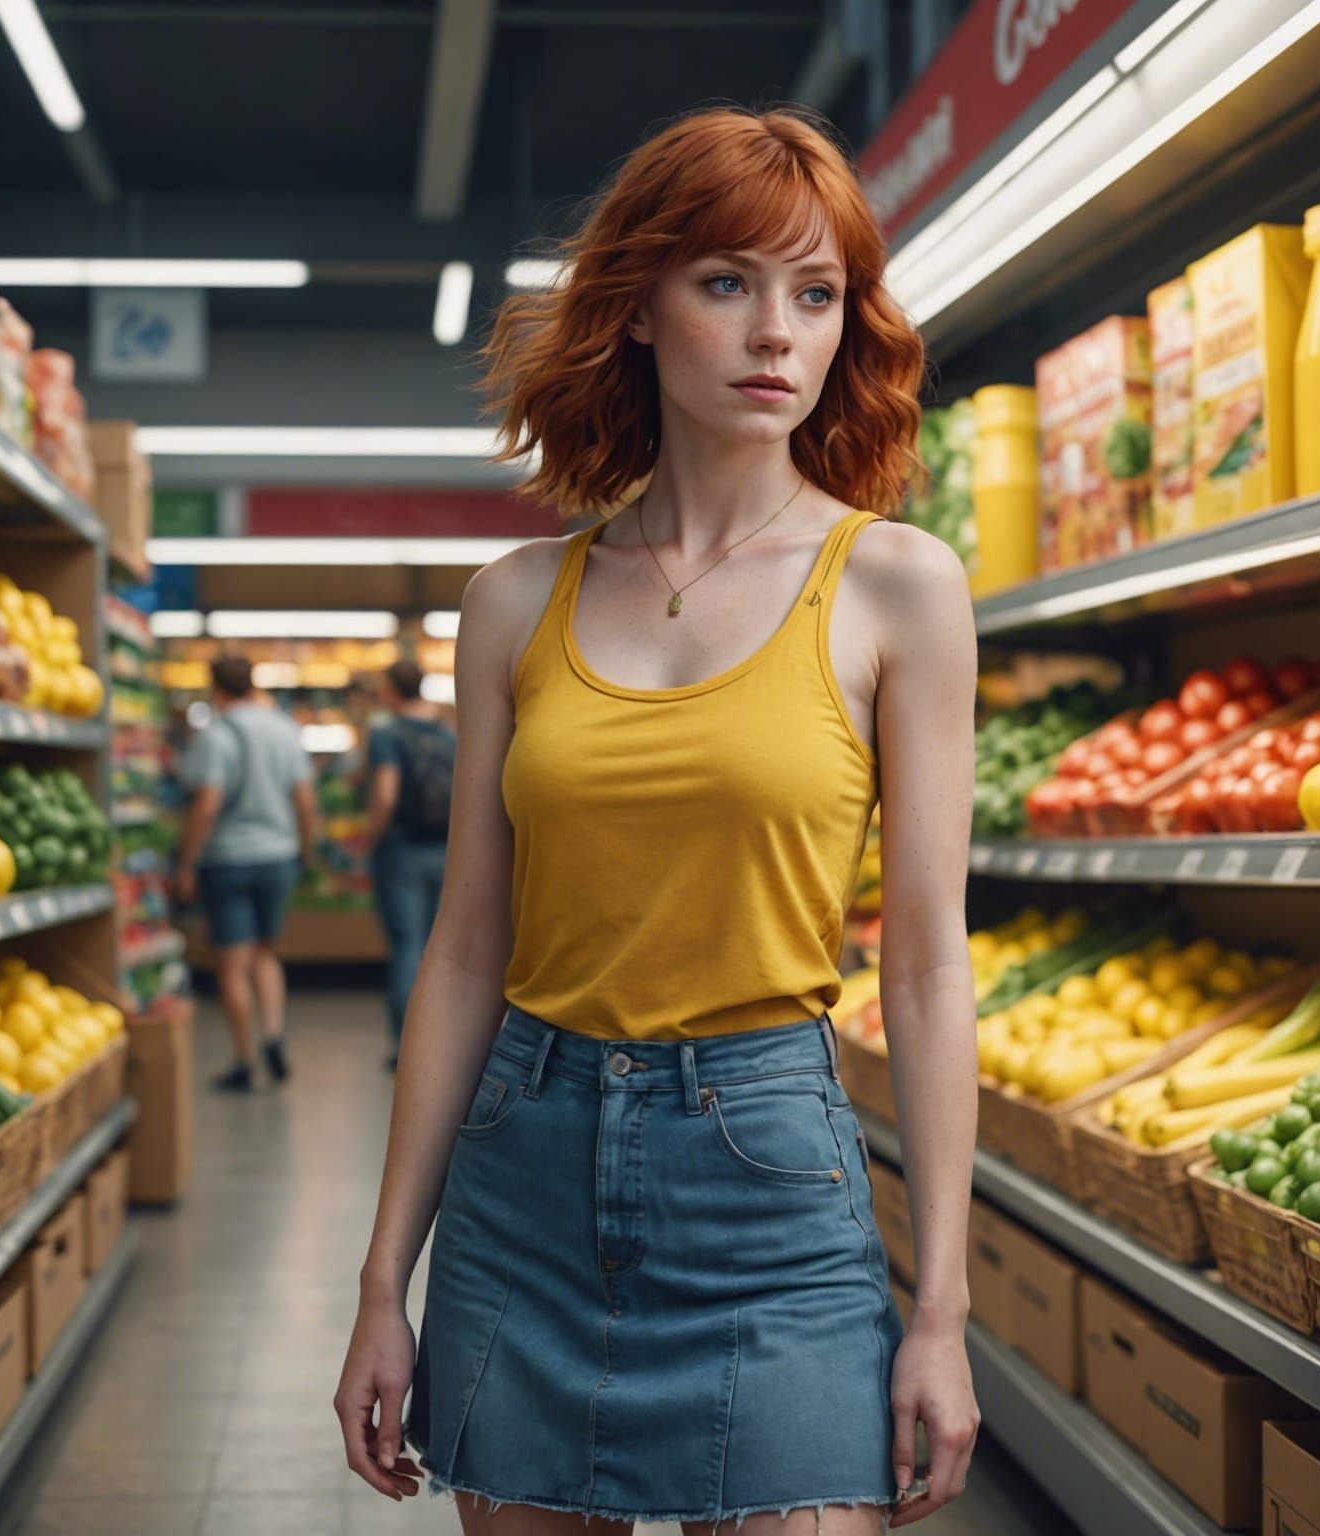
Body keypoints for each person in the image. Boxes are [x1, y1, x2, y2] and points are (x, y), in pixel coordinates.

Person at [336, 106, 980, 1535]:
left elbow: (929, 969)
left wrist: (939, 1308)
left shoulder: (897, 590)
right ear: (636, 305)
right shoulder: (514, 603)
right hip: (524, 1174)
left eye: (817, 296)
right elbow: (461, 957)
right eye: (728, 282)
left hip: (771, 1180)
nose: (777, 335)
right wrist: (386, 1286)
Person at [177, 655, 318, 1092]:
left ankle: (244, 1060)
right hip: (279, 856)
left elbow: (207, 804)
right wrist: (306, 850)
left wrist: (186, 862)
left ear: (216, 689)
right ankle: (273, 1034)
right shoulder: (282, 729)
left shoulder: (216, 736)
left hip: (229, 859)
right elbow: (305, 799)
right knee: (266, 953)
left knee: (232, 964)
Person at [367, 659, 455, 1068]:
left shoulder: (387, 733)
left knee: (406, 947)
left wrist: (372, 836)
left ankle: (406, 1045)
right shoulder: (448, 734)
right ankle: (440, 1039)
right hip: (446, 850)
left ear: (391, 690)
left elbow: (385, 793)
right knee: (441, 949)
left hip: (402, 850)